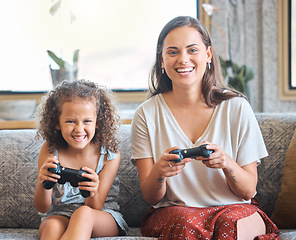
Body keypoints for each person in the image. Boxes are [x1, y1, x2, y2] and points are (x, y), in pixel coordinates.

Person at [131, 16, 279, 240]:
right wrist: (160, 172)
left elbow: (248, 191)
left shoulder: (237, 108)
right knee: (186, 223)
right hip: (176, 211)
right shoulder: (146, 114)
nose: (183, 59)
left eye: (192, 50)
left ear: (208, 54)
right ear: (161, 60)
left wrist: (226, 163)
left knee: (232, 224)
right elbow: (152, 197)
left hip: (234, 207)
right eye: (172, 52)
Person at [33, 79, 128, 240]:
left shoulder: (109, 155)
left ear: (97, 122)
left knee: (83, 214)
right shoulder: (50, 150)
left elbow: (95, 207)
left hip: (101, 215)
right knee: (51, 226)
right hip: (60, 214)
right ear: (57, 123)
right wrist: (42, 184)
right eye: (70, 121)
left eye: (87, 121)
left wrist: (93, 191)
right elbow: (42, 208)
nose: (79, 129)